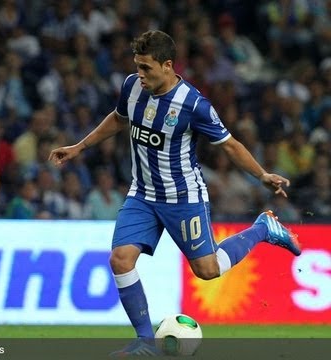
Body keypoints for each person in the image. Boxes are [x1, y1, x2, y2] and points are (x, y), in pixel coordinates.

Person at [49, 30, 301, 356]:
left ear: (167, 65)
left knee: (207, 270)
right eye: (137, 67)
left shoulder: (194, 104)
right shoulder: (131, 87)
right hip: (141, 195)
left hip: (183, 198)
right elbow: (118, 118)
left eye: (147, 68)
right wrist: (79, 146)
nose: (140, 75)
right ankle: (144, 341)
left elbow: (230, 145)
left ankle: (263, 228)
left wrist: (262, 175)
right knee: (120, 260)